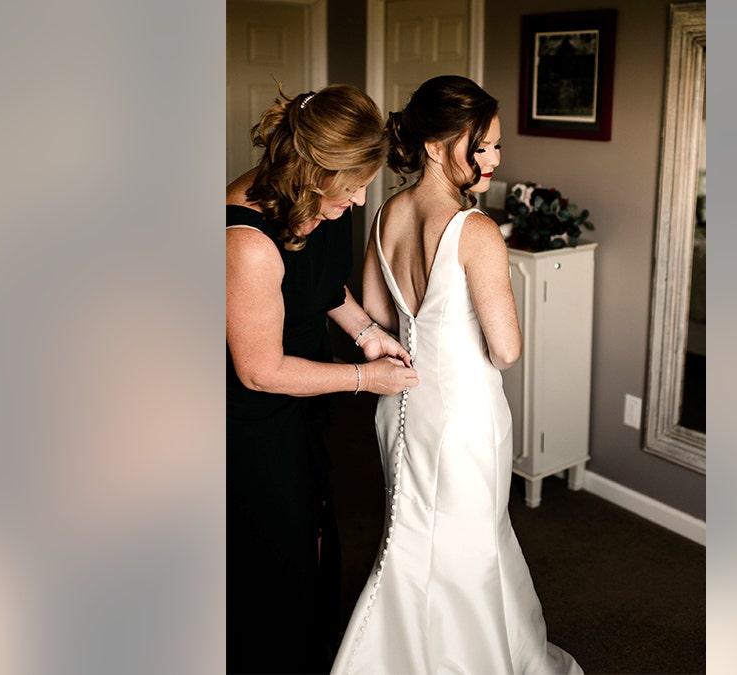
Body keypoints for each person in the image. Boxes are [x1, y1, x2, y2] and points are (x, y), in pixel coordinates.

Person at [331, 75, 583, 674]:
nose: (494, 159)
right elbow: (506, 351)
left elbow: (374, 310)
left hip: (402, 410)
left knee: (411, 545)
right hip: (466, 418)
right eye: (483, 145)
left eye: (497, 146)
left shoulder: (389, 212)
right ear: (440, 145)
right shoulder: (476, 231)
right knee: (470, 550)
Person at [226, 84, 420, 674]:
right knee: (272, 558)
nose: (361, 200)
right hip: (248, 418)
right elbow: (260, 372)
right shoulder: (246, 241)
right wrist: (364, 378)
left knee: (312, 530)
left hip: (303, 390)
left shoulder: (320, 203)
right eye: (354, 185)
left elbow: (323, 285)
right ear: (312, 170)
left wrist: (366, 332)